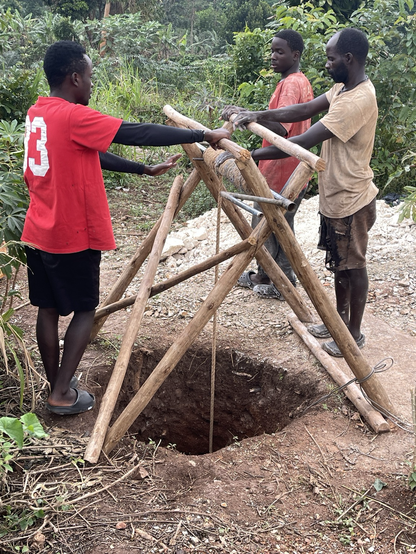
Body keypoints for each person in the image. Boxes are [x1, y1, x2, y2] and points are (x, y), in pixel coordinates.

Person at [22, 40, 230, 415]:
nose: (91, 83)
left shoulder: (39, 112)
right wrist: (203, 134)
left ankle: (57, 386)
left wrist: (141, 169)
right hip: (72, 234)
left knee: (48, 309)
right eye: (89, 76)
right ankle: (61, 395)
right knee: (85, 309)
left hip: (38, 230)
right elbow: (139, 133)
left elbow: (89, 151)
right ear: (74, 78)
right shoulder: (74, 116)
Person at [223, 28, 378, 357]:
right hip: (335, 195)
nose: (326, 64)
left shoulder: (357, 100)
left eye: (331, 58)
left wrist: (247, 154)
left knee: (353, 266)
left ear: (348, 59)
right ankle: (338, 322)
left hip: (352, 198)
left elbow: (297, 144)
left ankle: (353, 333)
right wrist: (257, 115)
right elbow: (303, 110)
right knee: (338, 264)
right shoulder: (342, 88)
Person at [222, 29, 313, 299]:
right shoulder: (295, 81)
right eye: (272, 51)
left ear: (295, 55)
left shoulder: (292, 84)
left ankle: (284, 283)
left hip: (284, 172)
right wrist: (244, 114)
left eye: (280, 52)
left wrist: (248, 119)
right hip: (280, 170)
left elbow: (281, 129)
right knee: (265, 224)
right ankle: (264, 274)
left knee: (277, 228)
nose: (273, 56)